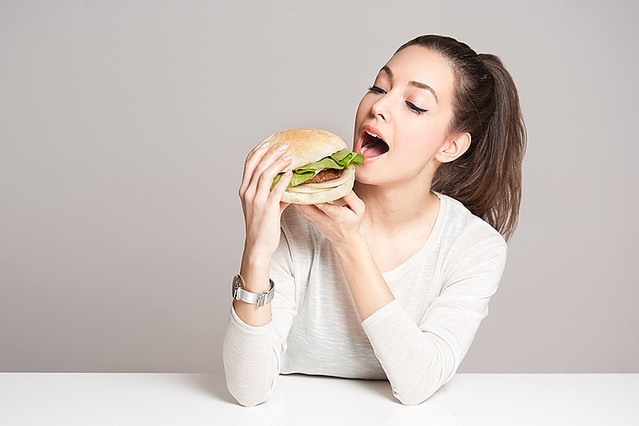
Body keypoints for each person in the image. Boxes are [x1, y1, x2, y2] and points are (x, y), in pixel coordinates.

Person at [223, 34, 526, 406]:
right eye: (379, 87)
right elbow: (247, 390)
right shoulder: (297, 217)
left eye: (414, 105)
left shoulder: (474, 248)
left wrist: (350, 244)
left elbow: (417, 384)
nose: (379, 106)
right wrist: (256, 248)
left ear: (451, 146)